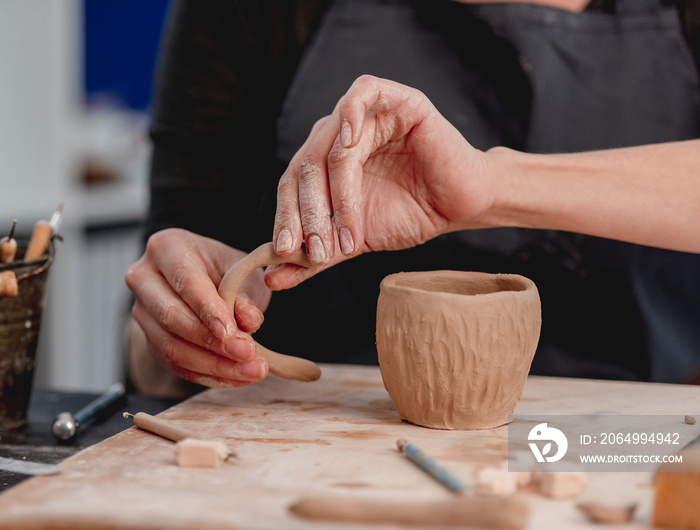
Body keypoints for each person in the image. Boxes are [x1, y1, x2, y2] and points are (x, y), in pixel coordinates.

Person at [125, 0, 700, 397]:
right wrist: (183, 335)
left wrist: (493, 187)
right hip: (315, 445)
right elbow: (149, 362)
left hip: (629, 444)